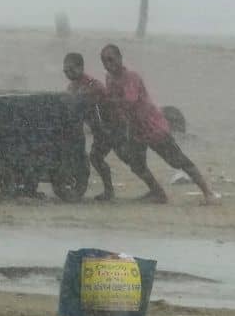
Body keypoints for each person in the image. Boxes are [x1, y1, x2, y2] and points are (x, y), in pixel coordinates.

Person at [100, 44, 219, 204]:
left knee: (178, 161)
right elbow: (114, 104)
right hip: (135, 129)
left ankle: (208, 193)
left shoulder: (131, 77)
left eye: (111, 60)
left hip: (152, 126)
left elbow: (129, 101)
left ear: (120, 59)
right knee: (136, 164)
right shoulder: (109, 78)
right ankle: (158, 193)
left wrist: (109, 101)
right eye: (104, 62)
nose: (108, 65)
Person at [63, 52, 138, 201]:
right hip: (101, 129)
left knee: (126, 159)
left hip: (113, 126)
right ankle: (110, 191)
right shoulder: (72, 87)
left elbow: (101, 108)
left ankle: (150, 186)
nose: (68, 74)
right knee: (98, 158)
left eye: (71, 70)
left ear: (81, 67)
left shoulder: (92, 85)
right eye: (65, 71)